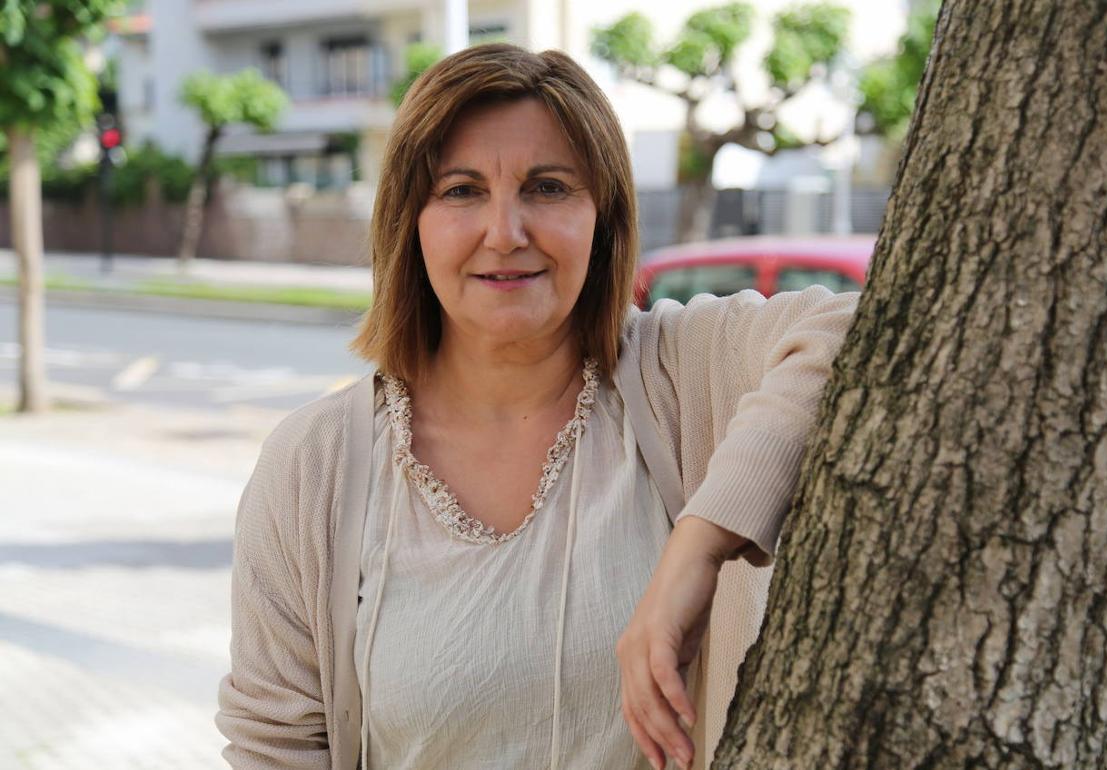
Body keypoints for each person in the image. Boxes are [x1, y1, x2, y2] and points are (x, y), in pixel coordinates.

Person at [216, 43, 859, 770]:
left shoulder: (681, 372)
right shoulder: (315, 465)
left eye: (548, 188)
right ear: (410, 221)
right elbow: (273, 749)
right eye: (461, 190)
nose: (506, 233)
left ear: (603, 218)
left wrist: (701, 544)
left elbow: (861, 329)